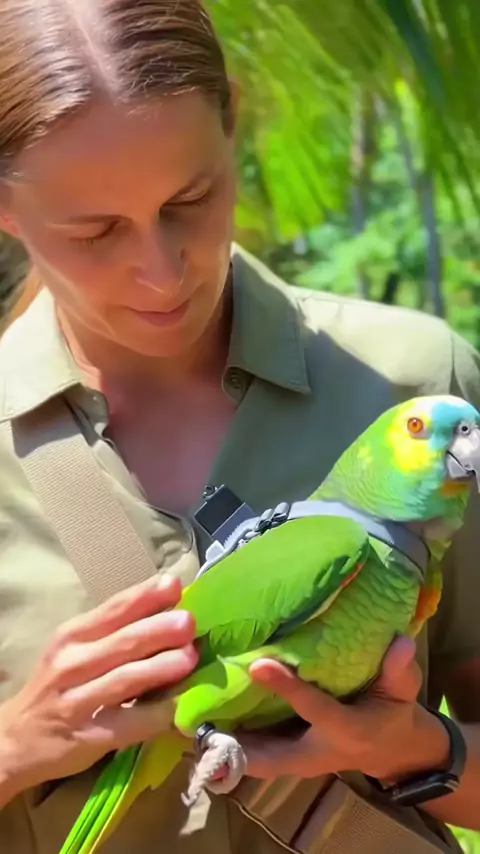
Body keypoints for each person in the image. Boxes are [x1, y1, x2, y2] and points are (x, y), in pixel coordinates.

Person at [0, 1, 479, 852]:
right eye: (95, 232)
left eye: (191, 197)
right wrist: (13, 749)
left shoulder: (416, 392)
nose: (161, 271)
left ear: (233, 122)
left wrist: (415, 749)